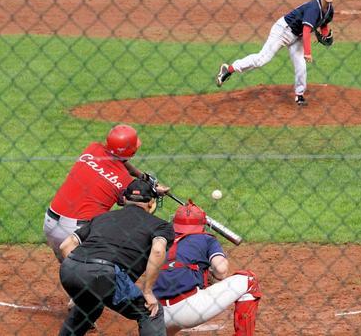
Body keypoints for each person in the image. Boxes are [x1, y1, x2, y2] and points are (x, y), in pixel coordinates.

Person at [58, 178, 175, 336]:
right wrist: (147, 291)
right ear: (151, 203)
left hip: (69, 268)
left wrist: (82, 272)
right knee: (150, 312)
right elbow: (158, 251)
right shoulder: (161, 225)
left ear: (125, 199)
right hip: (104, 273)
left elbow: (66, 245)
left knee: (88, 305)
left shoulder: (103, 217)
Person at [44, 124, 170, 262]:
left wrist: (141, 176)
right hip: (78, 232)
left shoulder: (93, 149)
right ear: (132, 151)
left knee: (69, 269)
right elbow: (135, 206)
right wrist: (153, 190)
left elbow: (116, 160)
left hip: (50, 224)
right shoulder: (124, 182)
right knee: (95, 272)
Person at [215, 0, 336, 106]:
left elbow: (324, 24)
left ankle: (299, 95)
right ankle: (228, 69)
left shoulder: (329, 10)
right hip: (283, 31)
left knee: (301, 64)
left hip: (297, 37)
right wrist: (308, 52)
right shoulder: (314, 8)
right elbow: (306, 31)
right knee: (261, 60)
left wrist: (325, 34)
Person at [153, 201, 262, 336]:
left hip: (157, 315)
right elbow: (221, 270)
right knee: (249, 280)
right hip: (190, 310)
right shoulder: (206, 239)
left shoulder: (160, 239)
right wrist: (212, 274)